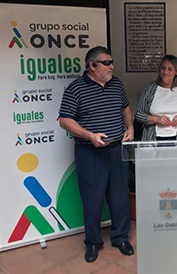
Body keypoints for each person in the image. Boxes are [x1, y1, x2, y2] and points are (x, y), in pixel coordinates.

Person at [59, 46, 134, 263]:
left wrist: (129, 128)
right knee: (92, 199)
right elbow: (65, 120)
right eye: (107, 62)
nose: (112, 66)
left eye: (112, 62)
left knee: (120, 196)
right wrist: (90, 135)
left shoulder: (116, 84)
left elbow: (125, 108)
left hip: (117, 149)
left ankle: (120, 238)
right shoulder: (75, 89)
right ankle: (92, 242)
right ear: (92, 66)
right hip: (90, 152)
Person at [134, 54, 177, 141]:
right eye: (163, 68)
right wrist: (156, 119)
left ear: (176, 72)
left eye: (170, 69)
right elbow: (138, 114)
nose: (165, 72)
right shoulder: (149, 89)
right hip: (153, 139)